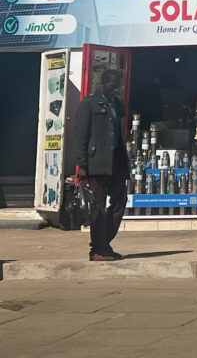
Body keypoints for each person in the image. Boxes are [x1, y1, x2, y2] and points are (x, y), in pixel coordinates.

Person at [73, 69, 128, 261]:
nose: (116, 89)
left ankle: (103, 243)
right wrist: (82, 166)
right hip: (97, 164)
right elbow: (81, 136)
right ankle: (98, 249)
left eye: (118, 85)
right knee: (98, 207)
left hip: (117, 164)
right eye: (113, 85)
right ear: (103, 84)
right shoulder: (89, 104)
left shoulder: (117, 105)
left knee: (120, 201)